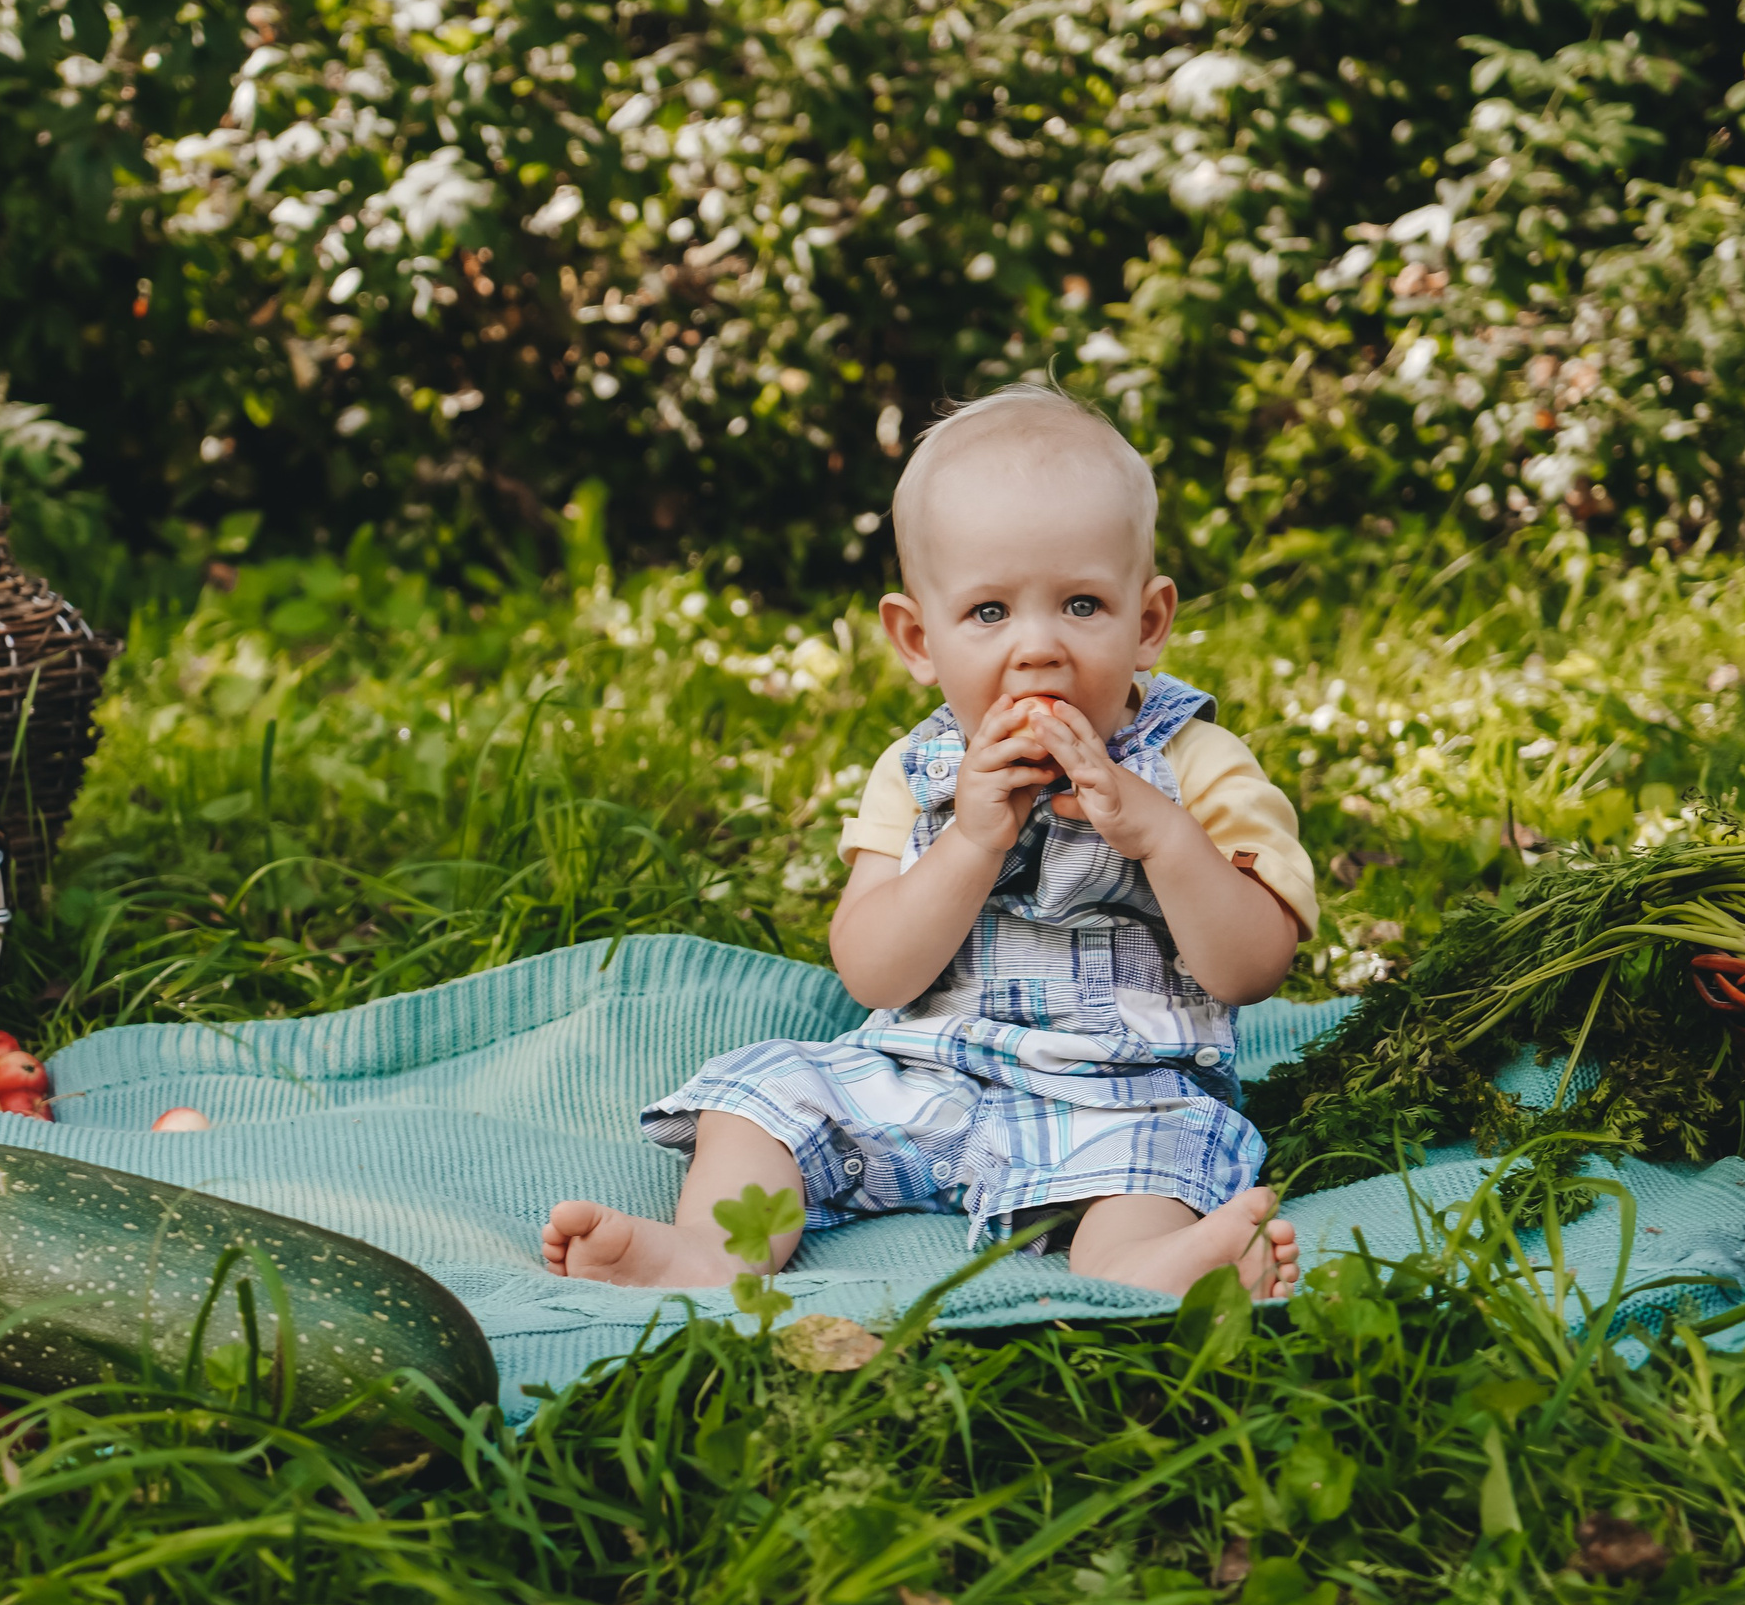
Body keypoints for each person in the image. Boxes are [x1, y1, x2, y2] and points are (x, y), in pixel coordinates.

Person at [542, 383, 1317, 1296]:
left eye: (1080, 605)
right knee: (763, 1098)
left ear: (1148, 624)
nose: (1037, 649)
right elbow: (873, 972)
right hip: (921, 1076)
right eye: (989, 613)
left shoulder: (1198, 763)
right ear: (918, 639)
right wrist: (970, 840)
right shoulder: (917, 772)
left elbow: (1253, 965)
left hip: (1118, 1093)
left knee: (1149, 1166)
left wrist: (1161, 835)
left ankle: (1152, 1267)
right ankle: (713, 1251)